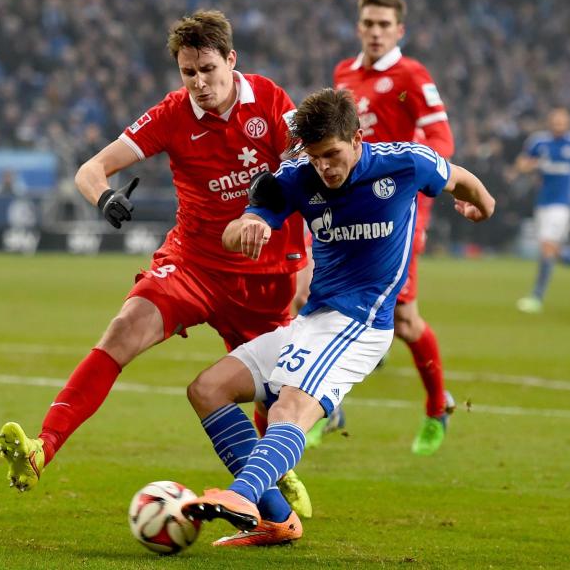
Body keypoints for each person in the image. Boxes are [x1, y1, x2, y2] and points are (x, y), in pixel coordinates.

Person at [0, 10, 314, 520]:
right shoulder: (171, 114)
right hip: (192, 265)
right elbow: (89, 169)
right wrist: (103, 199)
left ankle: (272, 472)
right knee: (123, 329)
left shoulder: (271, 102)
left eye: (208, 69)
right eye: (189, 73)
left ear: (232, 61)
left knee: (271, 392)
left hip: (264, 274)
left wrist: (302, 255)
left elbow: (306, 171)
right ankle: (41, 448)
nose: (200, 83)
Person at [182, 88, 495, 546]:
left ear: (357, 137)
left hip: (362, 324)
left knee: (289, 408)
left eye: (332, 154)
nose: (324, 167)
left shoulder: (405, 164)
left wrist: (482, 207)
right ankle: (277, 519)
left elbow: (461, 178)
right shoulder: (296, 175)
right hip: (314, 320)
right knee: (207, 390)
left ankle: (241, 495)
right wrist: (246, 226)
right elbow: (236, 230)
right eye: (315, 157)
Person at [302, 0, 457, 455]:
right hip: (346, 206)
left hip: (398, 209)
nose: (375, 32)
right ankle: (325, 409)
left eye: (384, 25)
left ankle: (437, 405)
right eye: (368, 23)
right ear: (358, 26)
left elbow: (441, 138)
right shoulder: (344, 74)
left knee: (407, 320)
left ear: (399, 31)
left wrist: (424, 178)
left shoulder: (411, 76)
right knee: (312, 298)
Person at [515, 108, 570, 313]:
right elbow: (521, 164)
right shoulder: (538, 142)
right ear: (549, 122)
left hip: (563, 204)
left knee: (547, 247)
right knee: (551, 249)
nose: (559, 126)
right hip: (543, 203)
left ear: (568, 123)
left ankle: (536, 297)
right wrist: (533, 165)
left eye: (562, 122)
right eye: (555, 122)